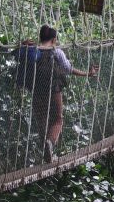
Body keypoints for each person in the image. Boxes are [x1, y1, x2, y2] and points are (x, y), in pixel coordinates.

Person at [31, 24, 98, 162]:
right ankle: (49, 143)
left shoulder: (32, 51)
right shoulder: (56, 52)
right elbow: (68, 69)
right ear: (54, 39)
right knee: (57, 119)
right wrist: (88, 74)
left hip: (36, 91)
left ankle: (46, 151)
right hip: (54, 90)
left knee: (42, 121)